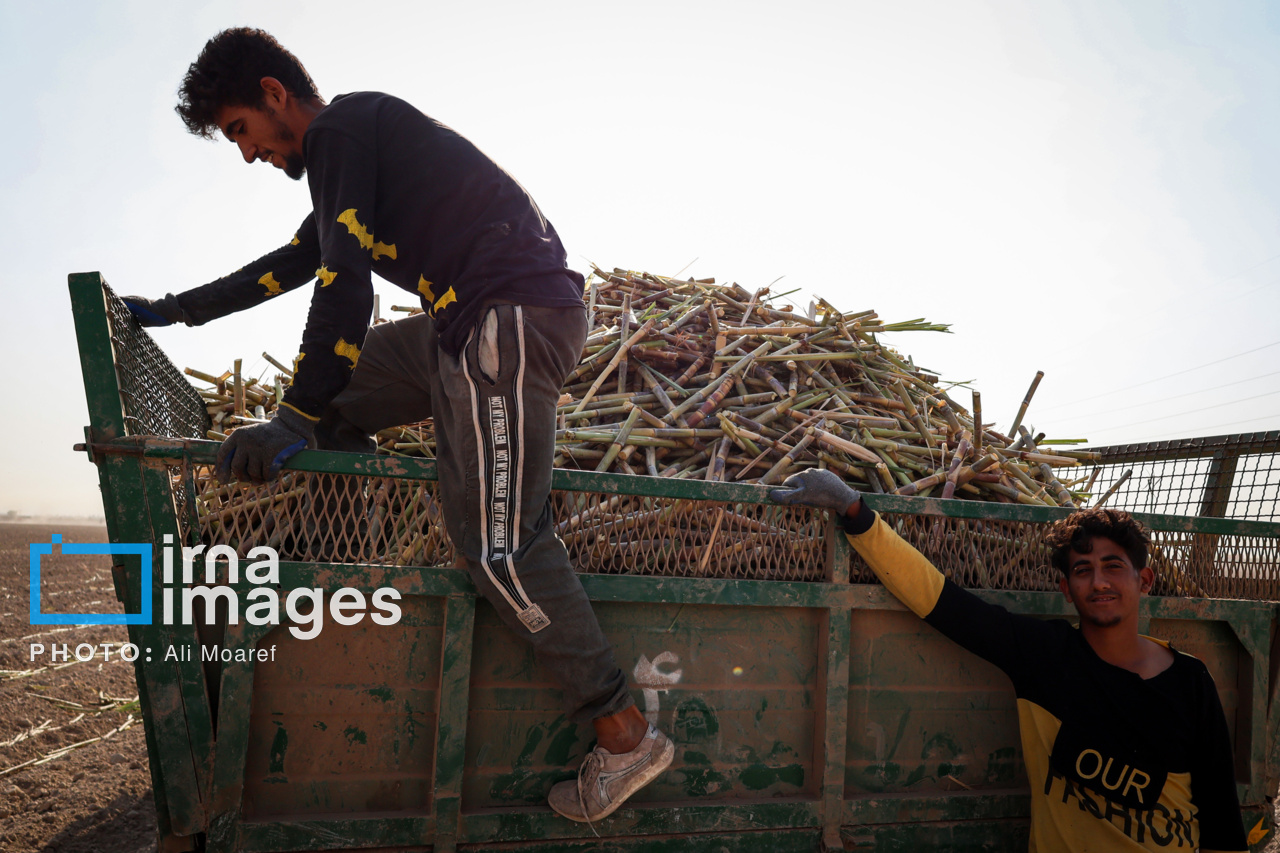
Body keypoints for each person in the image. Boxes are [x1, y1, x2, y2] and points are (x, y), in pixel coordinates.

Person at [123, 27, 671, 823]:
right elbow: (291, 264)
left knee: (498, 543)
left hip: (510, 317)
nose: (246, 155)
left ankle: (624, 736)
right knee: (338, 400)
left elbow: (346, 285)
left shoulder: (345, 128)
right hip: (459, 326)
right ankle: (348, 550)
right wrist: (177, 312)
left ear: (276, 95)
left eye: (241, 129)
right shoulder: (350, 159)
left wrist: (292, 415)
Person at [769, 468, 1248, 853]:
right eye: (1083, 570)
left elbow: (1222, 820)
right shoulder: (1042, 655)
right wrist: (853, 509)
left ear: (1143, 580)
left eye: (1113, 567)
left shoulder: (1190, 680)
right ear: (1065, 589)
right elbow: (940, 600)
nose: (1099, 582)